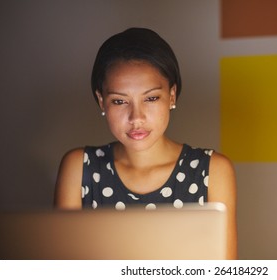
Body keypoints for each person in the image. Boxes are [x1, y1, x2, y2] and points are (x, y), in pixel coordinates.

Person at [54, 27, 237, 259]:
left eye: (151, 98)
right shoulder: (79, 167)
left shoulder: (212, 170)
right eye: (120, 101)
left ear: (171, 95)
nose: (136, 117)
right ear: (101, 101)